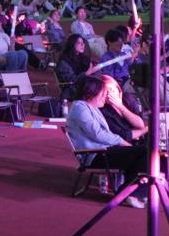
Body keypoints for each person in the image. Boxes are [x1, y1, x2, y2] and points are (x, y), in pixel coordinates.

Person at [65, 75, 151, 208]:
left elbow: (107, 134)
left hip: (104, 151)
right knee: (146, 153)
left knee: (148, 151)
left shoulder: (91, 107)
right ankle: (129, 193)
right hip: (95, 155)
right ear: (90, 93)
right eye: (103, 93)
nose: (105, 96)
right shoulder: (80, 108)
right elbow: (98, 134)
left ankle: (129, 191)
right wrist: (123, 143)